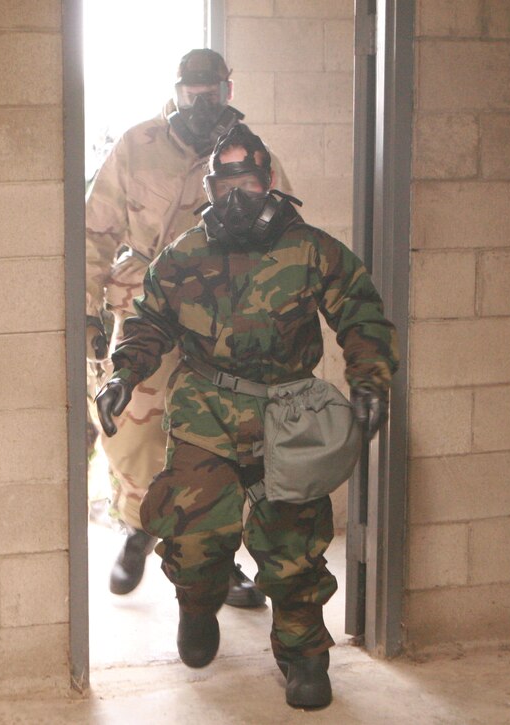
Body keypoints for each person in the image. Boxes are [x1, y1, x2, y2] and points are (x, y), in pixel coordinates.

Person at [94, 124, 399, 709]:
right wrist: (123, 373)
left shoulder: (310, 249)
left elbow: (361, 313)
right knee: (193, 533)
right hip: (206, 408)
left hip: (287, 412)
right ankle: (198, 604)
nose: (237, 193)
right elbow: (149, 321)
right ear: (209, 187)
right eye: (225, 179)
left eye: (248, 178)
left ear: (269, 181)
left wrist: (371, 379)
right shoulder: (185, 253)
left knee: (293, 544)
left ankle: (304, 653)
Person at [86, 49, 291, 606]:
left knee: (223, 438)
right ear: (176, 90)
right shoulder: (138, 144)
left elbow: (289, 230)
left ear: (229, 89)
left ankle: (217, 561)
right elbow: (94, 231)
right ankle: (137, 530)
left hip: (224, 313)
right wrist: (84, 308)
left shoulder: (248, 150)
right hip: (147, 303)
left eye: (213, 92)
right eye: (191, 92)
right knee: (131, 427)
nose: (202, 103)